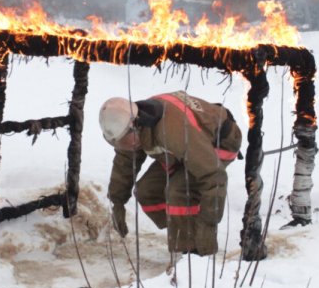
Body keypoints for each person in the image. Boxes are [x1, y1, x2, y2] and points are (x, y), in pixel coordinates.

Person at [100, 91, 242, 255]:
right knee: (146, 190)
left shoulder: (173, 131)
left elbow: (214, 176)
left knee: (178, 191)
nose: (127, 146)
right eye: (120, 143)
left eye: (126, 141)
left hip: (218, 144)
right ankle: (184, 229)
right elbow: (124, 164)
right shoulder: (133, 128)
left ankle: (193, 253)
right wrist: (117, 202)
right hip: (180, 152)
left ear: (136, 124)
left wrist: (207, 225)